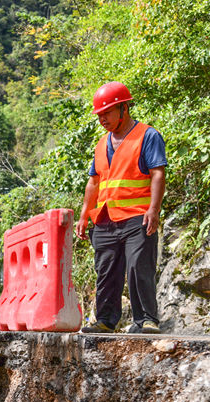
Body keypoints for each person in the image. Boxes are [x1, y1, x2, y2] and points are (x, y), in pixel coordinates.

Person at [76, 82, 167, 334]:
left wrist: (154, 209)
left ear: (124, 108)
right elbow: (94, 182)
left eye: (107, 112)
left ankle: (147, 319)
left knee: (138, 266)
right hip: (105, 219)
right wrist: (85, 214)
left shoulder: (147, 136)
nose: (102, 118)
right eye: (99, 114)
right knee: (105, 270)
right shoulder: (100, 143)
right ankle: (105, 320)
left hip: (137, 216)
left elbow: (158, 173)